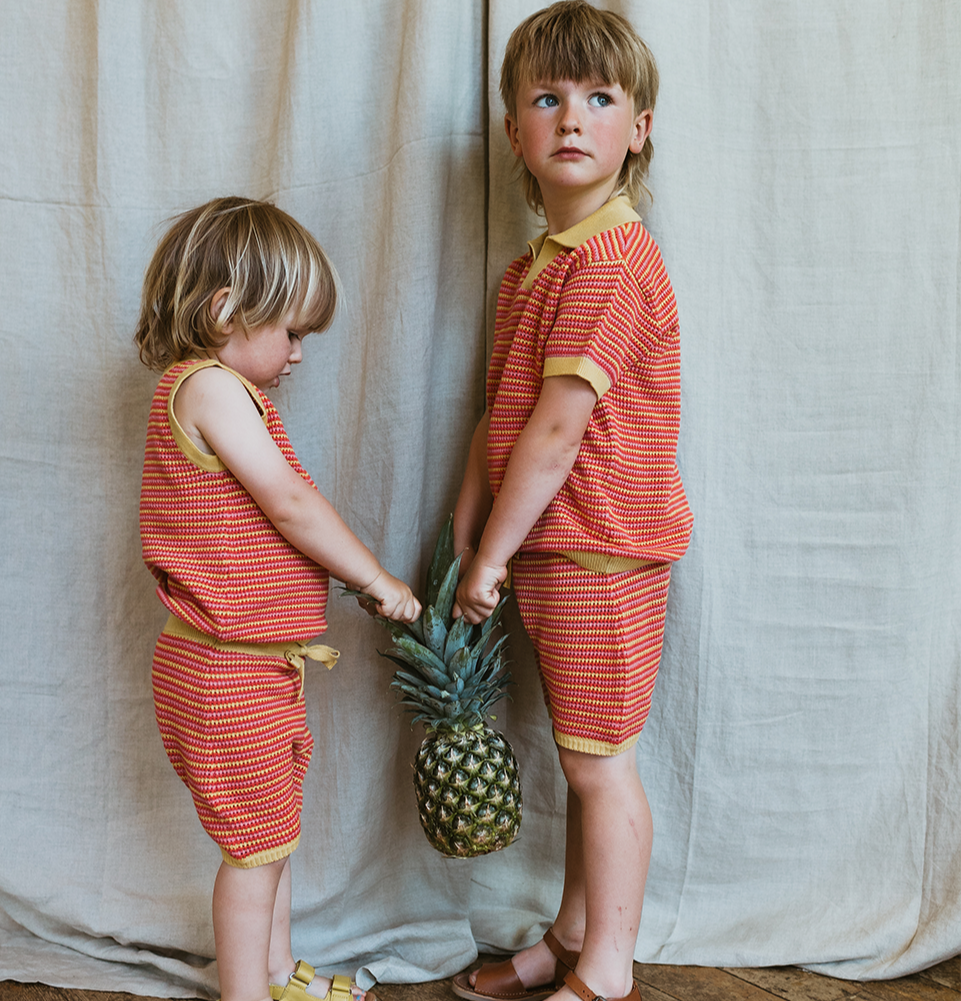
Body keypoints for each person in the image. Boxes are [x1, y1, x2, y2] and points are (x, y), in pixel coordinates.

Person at [450, 5, 692, 1001]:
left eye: (599, 98)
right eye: (547, 99)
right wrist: (470, 514)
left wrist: (490, 556)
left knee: (600, 768)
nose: (572, 118)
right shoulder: (534, 269)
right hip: (557, 547)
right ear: (515, 131)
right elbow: (503, 408)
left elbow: (556, 433)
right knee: (583, 755)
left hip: (601, 548)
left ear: (638, 129)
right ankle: (572, 931)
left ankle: (606, 969)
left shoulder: (610, 264)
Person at [135, 196, 422, 1001]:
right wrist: (375, 578)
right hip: (223, 671)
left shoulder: (231, 392)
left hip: (258, 668)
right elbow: (290, 505)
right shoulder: (208, 389)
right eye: (292, 332)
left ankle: (274, 970)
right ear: (225, 309)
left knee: (271, 834)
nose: (298, 354)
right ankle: (246, 991)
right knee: (252, 853)